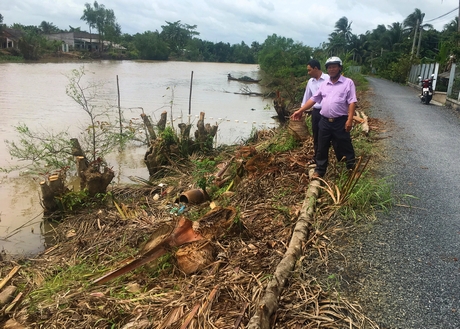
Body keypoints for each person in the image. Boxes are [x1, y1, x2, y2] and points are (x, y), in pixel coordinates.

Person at [290, 56, 357, 179]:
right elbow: (314, 99)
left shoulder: (348, 83)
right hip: (324, 121)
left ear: (339, 68)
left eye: (334, 67)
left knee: (344, 144)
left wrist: (350, 119)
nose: (332, 69)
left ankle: (351, 167)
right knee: (321, 145)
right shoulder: (324, 84)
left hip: (340, 120)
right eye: (329, 67)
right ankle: (320, 170)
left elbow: (352, 101)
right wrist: (300, 110)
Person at [301, 59, 329, 166]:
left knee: (328, 135)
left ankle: (340, 158)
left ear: (316, 68)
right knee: (316, 135)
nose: (308, 73)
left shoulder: (328, 79)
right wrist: (301, 110)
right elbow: (307, 97)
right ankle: (317, 158)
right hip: (316, 112)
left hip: (327, 111)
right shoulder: (310, 82)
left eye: (309, 70)